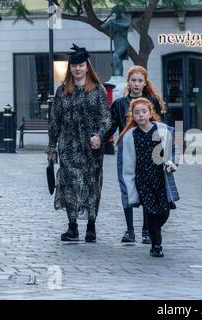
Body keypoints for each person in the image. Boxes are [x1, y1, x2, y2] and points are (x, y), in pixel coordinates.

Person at [46, 44, 111, 243]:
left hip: (92, 147)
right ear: (70, 69)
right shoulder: (62, 90)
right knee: (70, 185)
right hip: (68, 145)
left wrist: (99, 135)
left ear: (87, 66)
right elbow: (55, 120)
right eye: (74, 66)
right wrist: (51, 146)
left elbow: (106, 118)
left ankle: (91, 225)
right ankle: (72, 226)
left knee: (92, 185)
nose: (77, 69)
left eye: (81, 65)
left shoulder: (98, 90)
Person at [102, 65, 167, 244]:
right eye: (133, 80)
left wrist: (167, 153)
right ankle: (130, 230)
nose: (136, 84)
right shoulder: (120, 104)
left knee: (148, 188)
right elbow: (111, 126)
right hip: (127, 150)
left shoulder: (151, 102)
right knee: (127, 187)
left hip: (148, 151)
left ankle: (147, 230)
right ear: (128, 82)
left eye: (140, 81)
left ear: (145, 83)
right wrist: (99, 139)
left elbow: (162, 127)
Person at [116, 97, 179, 257]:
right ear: (133, 116)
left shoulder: (162, 130)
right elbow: (127, 162)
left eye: (144, 111)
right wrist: (129, 184)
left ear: (150, 113)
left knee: (164, 212)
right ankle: (156, 245)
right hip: (143, 180)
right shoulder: (131, 136)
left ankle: (155, 232)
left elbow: (172, 150)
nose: (141, 115)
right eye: (137, 113)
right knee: (151, 211)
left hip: (160, 177)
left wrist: (172, 162)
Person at [101, 6, 131, 76]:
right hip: (116, 43)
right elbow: (102, 27)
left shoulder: (126, 20)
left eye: (119, 12)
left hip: (123, 43)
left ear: (121, 13)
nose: (118, 14)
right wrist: (108, 21)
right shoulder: (113, 21)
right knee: (118, 60)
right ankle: (118, 74)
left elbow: (126, 26)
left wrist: (114, 24)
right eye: (116, 12)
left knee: (115, 56)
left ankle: (117, 73)